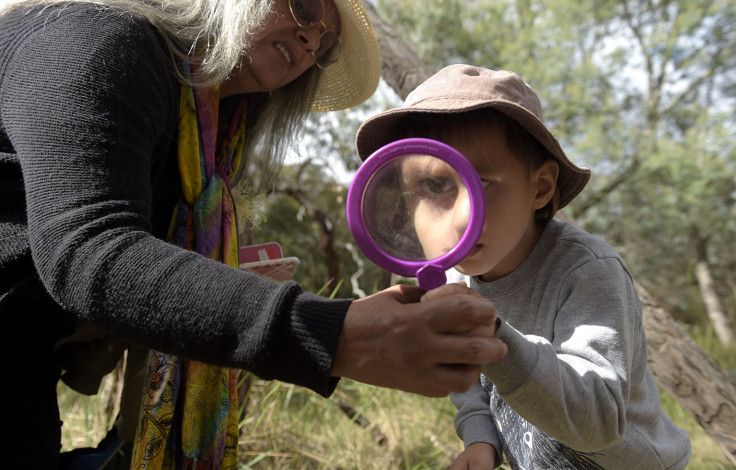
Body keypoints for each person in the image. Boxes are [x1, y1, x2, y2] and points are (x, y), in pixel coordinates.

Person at [0, 1, 509, 466]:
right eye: (304, 6)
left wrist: (222, 275)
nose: (312, 40)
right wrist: (336, 335)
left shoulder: (207, 140)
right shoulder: (99, 38)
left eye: (325, 45)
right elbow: (89, 250)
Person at [355, 64, 692, 469]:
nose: (462, 217)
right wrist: (481, 438)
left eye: (483, 184)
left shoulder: (586, 272)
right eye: (434, 186)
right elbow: (470, 380)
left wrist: (496, 341)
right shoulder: (451, 281)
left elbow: (601, 420)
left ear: (540, 188)